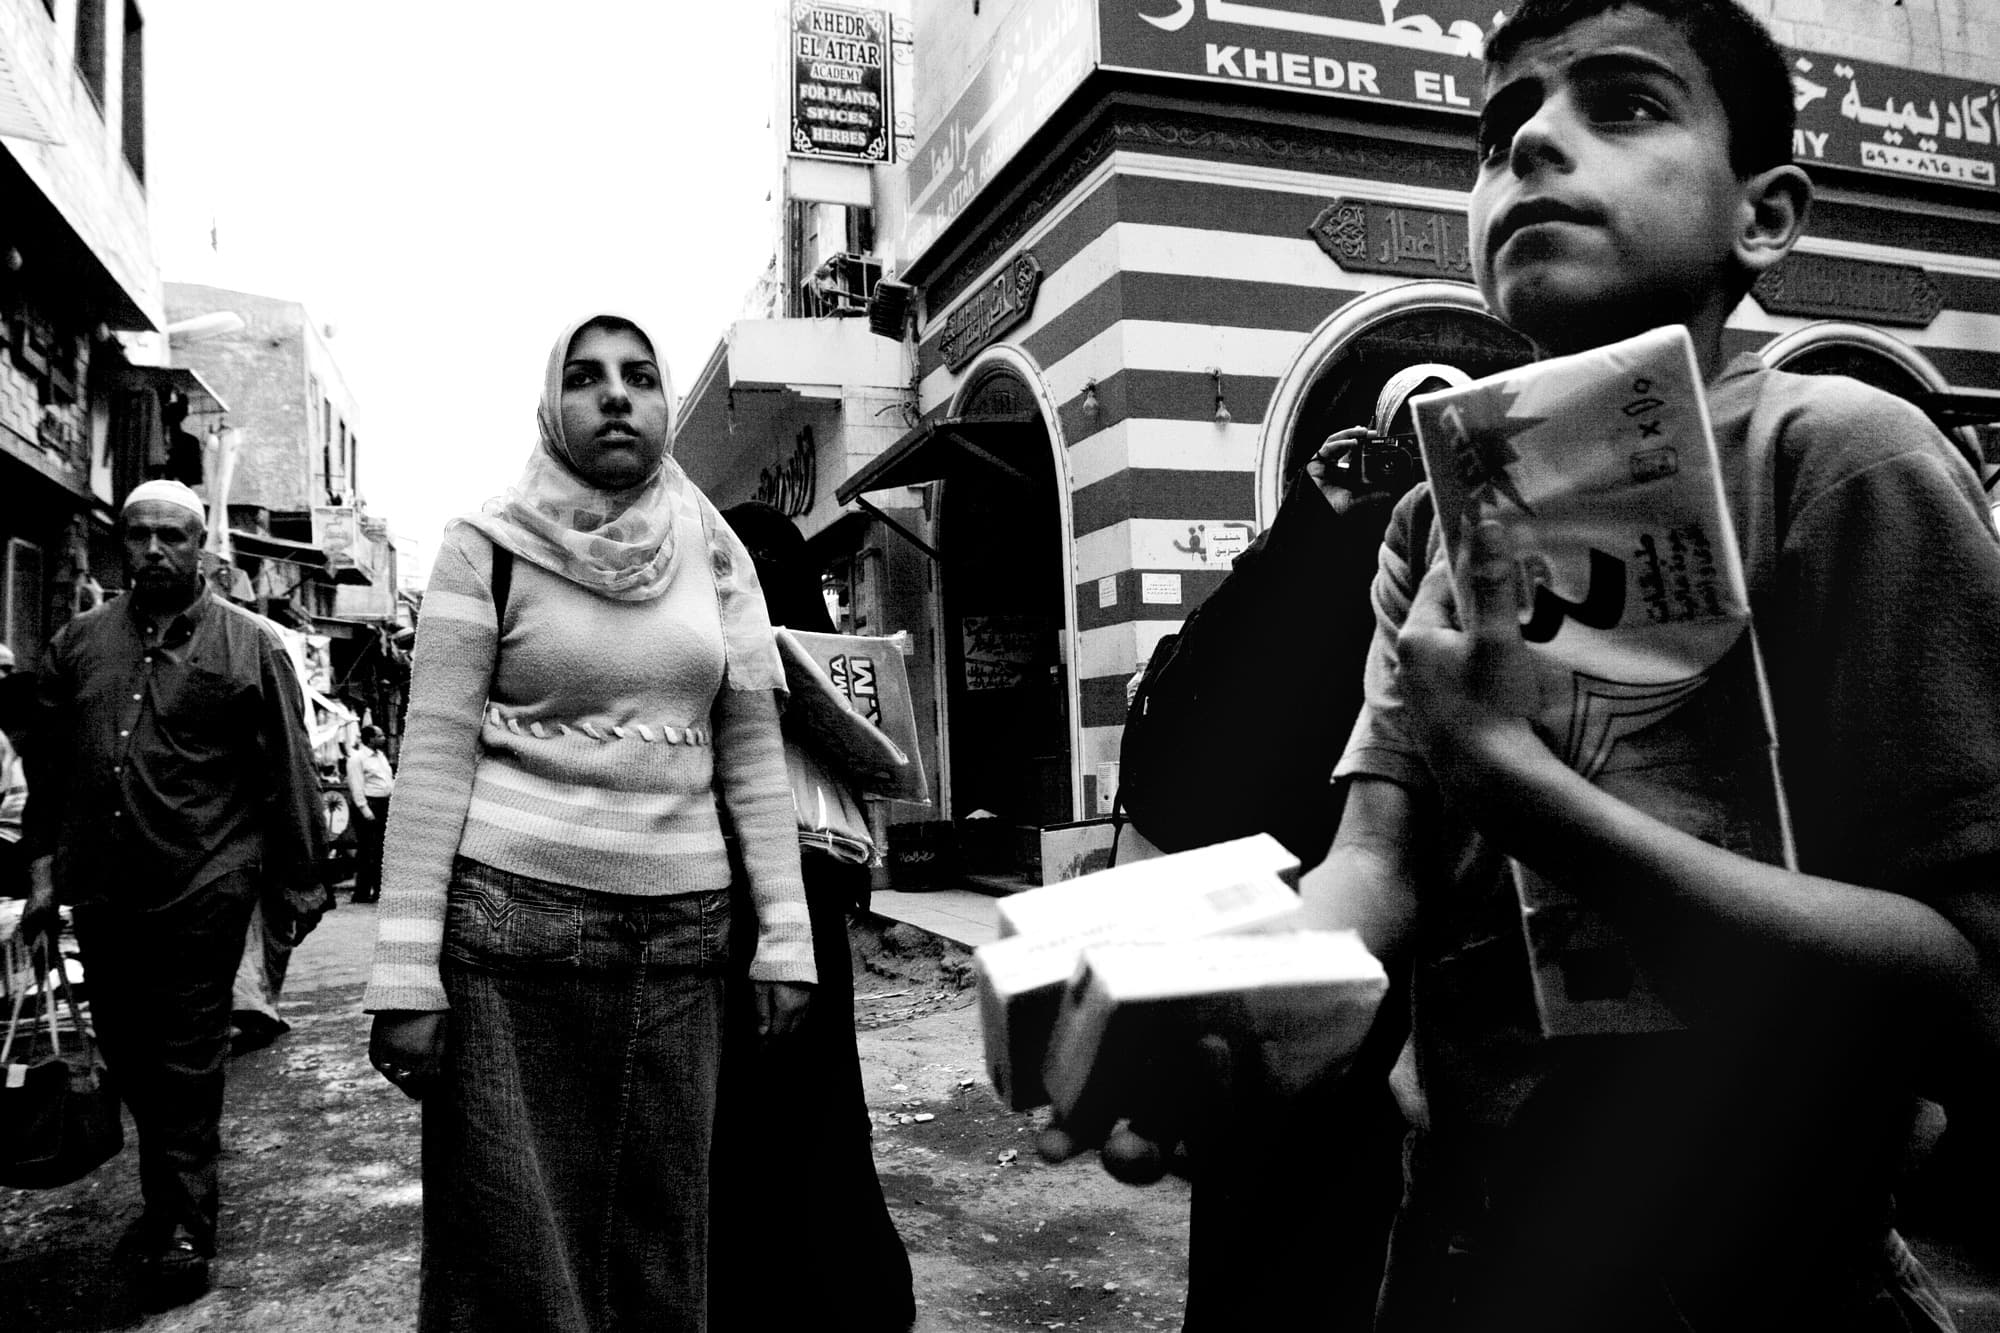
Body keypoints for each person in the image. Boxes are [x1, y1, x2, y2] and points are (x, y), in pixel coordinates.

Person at [1049, 3, 2000, 1329]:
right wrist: (1238, 1017)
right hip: (1467, 1249)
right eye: (1499, 134)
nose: (1536, 144)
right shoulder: (1445, 511)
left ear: (1767, 215)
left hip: (1769, 1268)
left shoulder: (1840, 458)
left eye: (1623, 106)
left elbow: (1965, 984)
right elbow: (1369, 872)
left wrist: (1517, 781)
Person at [362, 314, 816, 1333]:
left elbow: (751, 750)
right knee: (511, 1263)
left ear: (663, 405)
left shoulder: (715, 554)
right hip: (507, 949)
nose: (616, 394)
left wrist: (784, 937)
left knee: (662, 1257)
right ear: (550, 406)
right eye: (586, 377)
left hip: (682, 947)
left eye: (639, 376)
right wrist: (401, 975)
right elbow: (431, 764)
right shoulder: (487, 547)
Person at [19, 478, 328, 1308]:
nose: (155, 550)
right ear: (123, 544)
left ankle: (186, 1224)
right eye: (141, 535)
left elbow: (287, 770)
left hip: (204, 882)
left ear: (202, 549)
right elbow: (50, 772)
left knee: (188, 1055)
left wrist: (301, 879)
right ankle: (168, 1196)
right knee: (130, 1052)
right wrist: (42, 871)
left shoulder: (249, 645)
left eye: (173, 536)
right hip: (105, 890)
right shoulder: (79, 643)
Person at [711, 500, 916, 1332]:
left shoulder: (798, 656)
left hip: (773, 890)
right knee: (810, 1099)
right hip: (798, 893)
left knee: (771, 1104)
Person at [345, 723, 395, 904]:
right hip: (369, 805)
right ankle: (362, 892)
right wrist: (365, 810)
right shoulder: (357, 759)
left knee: (381, 850)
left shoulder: (380, 756)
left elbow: (387, 780)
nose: (383, 738)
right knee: (367, 850)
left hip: (383, 804)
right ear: (370, 739)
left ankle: (378, 891)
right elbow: (356, 786)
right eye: (380, 735)